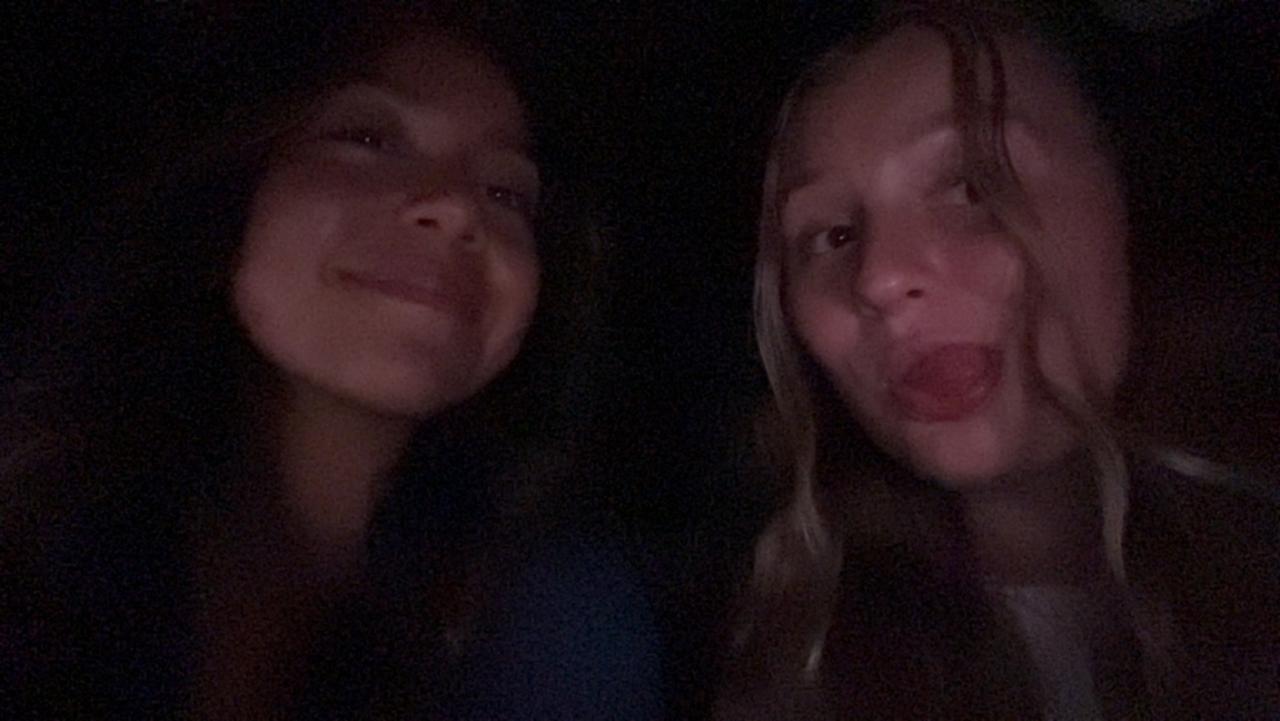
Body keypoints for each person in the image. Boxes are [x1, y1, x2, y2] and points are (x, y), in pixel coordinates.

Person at [1, 3, 661, 719]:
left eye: (505, 191)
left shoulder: (558, 622)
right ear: (228, 190)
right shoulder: (34, 524)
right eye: (368, 137)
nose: (457, 208)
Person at [715, 3, 1279, 719]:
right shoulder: (794, 668)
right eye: (833, 235)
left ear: (1136, 202)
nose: (880, 279)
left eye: (976, 183)